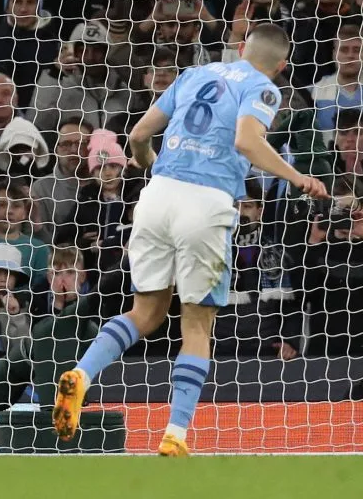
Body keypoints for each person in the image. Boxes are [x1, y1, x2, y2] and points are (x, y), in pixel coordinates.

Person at [51, 24, 329, 456]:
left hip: (156, 197)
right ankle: (175, 435)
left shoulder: (194, 74)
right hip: (207, 203)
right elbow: (247, 141)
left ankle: (82, 375)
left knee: (146, 312)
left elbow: (138, 137)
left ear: (239, 49)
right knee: (197, 324)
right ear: (281, 66)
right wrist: (298, 177)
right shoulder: (265, 88)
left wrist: (152, 165)